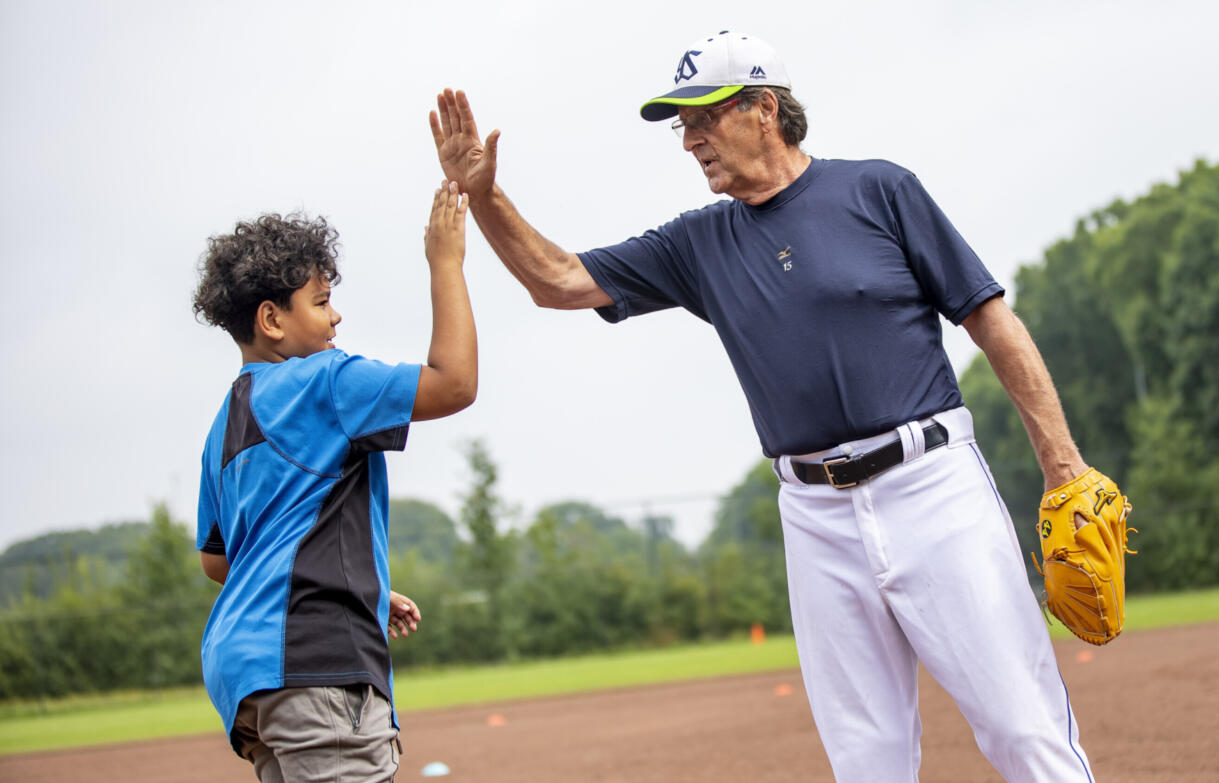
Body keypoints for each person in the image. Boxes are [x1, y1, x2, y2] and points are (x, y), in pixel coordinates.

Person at [431, 31, 1101, 782]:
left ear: (764, 109)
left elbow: (991, 319)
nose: (689, 140)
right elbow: (556, 280)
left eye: (703, 118)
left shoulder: (880, 190)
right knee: (867, 759)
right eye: (681, 126)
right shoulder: (699, 243)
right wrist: (484, 196)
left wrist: (1062, 463)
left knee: (1022, 725)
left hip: (934, 486)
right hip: (815, 517)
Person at [191, 182, 478, 782]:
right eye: (321, 302)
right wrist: (446, 260)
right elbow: (455, 383)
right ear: (272, 319)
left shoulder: (225, 422)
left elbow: (217, 561)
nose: (335, 315)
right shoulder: (321, 382)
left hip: (244, 673)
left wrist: (352, 580)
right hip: (314, 662)